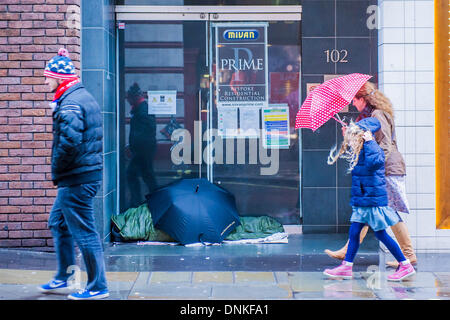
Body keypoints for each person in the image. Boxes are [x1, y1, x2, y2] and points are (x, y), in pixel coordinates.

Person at [38, 48, 109, 299]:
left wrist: (56, 167)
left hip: (77, 178)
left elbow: (68, 143)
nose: (45, 81)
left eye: (47, 77)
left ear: (59, 77)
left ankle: (98, 286)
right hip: (81, 175)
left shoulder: (70, 104)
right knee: (58, 222)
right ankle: (64, 275)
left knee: (85, 232)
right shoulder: (77, 96)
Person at [325, 82, 417, 268]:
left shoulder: (377, 115)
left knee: (378, 210)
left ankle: (406, 256)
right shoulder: (373, 115)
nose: (353, 103)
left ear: (363, 99)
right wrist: (350, 135)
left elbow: (382, 146)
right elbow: (367, 144)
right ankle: (407, 255)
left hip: (386, 169)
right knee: (376, 210)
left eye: (355, 100)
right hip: (385, 168)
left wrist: (375, 168)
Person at [126, 83, 157, 208]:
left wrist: (135, 147)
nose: (127, 100)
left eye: (129, 97)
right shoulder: (140, 108)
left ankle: (137, 202)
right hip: (143, 150)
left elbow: (144, 132)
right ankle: (152, 198)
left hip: (143, 150)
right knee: (147, 175)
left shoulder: (142, 110)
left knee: (132, 174)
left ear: (134, 97)